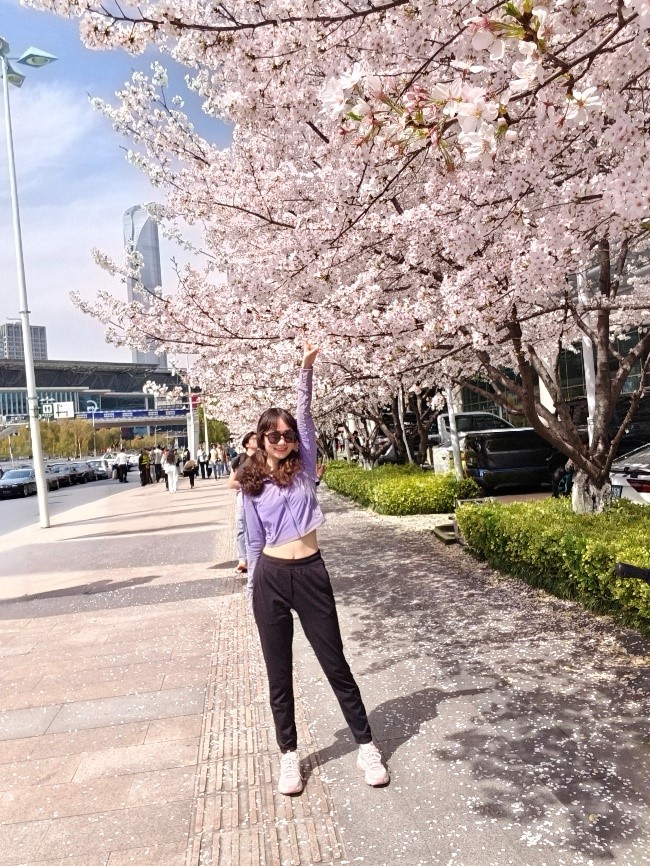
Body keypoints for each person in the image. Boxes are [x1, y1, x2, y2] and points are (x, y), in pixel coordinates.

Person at [239, 342, 389, 797]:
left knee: (334, 662)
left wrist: (306, 368)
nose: (282, 440)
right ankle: (288, 755)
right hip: (270, 579)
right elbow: (254, 542)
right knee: (278, 672)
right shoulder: (251, 486)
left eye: (287, 434)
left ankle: (366, 746)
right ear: (261, 439)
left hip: (310, 573)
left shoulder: (304, 469)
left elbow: (304, 415)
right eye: (273, 435)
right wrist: (252, 591)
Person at [228, 431, 259, 574]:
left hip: (261, 495)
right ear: (246, 443)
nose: (256, 440)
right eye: (253, 439)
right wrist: (246, 485)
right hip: (244, 495)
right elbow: (231, 482)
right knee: (241, 526)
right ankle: (243, 560)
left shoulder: (264, 458)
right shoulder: (240, 459)